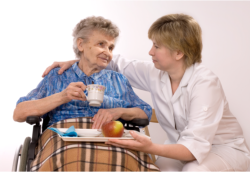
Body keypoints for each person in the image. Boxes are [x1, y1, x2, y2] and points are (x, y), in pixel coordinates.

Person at [43, 14, 250, 172]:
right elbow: (112, 61)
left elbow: (194, 147)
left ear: (179, 52)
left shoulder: (205, 83)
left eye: (157, 46)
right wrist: (75, 61)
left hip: (221, 149)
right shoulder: (155, 72)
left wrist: (149, 147)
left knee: (193, 170)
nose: (150, 51)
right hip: (179, 146)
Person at [13, 16, 159, 172]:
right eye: (101, 44)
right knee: (72, 158)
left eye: (111, 48)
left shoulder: (118, 80)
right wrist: (62, 96)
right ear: (81, 44)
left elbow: (145, 112)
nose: (107, 52)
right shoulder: (58, 75)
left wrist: (119, 111)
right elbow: (19, 113)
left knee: (123, 159)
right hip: (65, 140)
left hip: (110, 138)